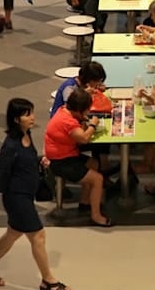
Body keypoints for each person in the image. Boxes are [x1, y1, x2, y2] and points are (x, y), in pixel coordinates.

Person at [0, 98, 70, 290]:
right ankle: (48, 281)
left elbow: (24, 160)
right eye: (27, 114)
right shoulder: (10, 145)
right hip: (17, 198)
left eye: (32, 113)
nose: (32, 117)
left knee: (12, 234)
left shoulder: (27, 135)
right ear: (16, 119)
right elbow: (0, 171)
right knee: (38, 236)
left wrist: (39, 160)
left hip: (25, 194)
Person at [44, 88, 113, 226]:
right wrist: (93, 124)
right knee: (97, 179)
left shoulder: (64, 110)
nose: (88, 112)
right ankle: (96, 216)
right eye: (87, 109)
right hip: (61, 161)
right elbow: (84, 138)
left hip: (67, 154)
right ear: (79, 109)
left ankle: (84, 202)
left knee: (94, 163)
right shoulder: (67, 121)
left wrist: (83, 120)